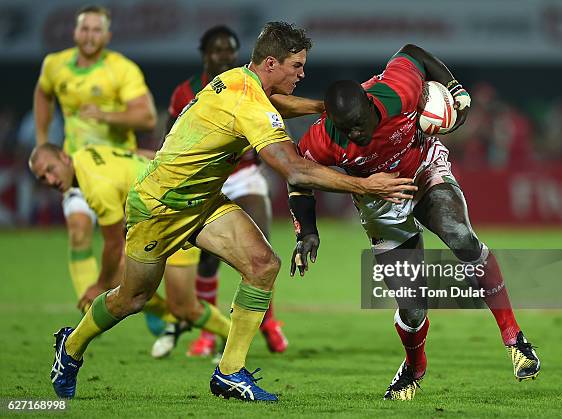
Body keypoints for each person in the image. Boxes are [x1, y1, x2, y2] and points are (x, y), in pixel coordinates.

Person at [48, 21, 415, 402]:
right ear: (271, 63)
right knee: (132, 298)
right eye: (297, 66)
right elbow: (294, 169)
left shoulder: (242, 80)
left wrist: (325, 107)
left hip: (202, 201)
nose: (303, 73)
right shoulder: (247, 100)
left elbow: (272, 102)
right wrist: (366, 185)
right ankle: (71, 346)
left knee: (263, 265)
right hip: (160, 205)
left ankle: (229, 373)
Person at [289, 44, 541, 401]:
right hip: (379, 200)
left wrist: (456, 91)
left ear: (368, 103)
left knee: (461, 237)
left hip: (422, 167)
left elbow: (412, 52)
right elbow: (298, 178)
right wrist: (307, 231)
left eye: (359, 123)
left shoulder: (395, 91)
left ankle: (515, 338)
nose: (355, 134)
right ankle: (414, 366)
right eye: (346, 128)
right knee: (412, 304)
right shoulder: (325, 137)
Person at [29, 144, 231, 359]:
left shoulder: (97, 187)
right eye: (42, 178)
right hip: (162, 209)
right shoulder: (86, 152)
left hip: (175, 212)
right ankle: (172, 321)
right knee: (126, 284)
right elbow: (131, 157)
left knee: (183, 307)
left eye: (51, 169)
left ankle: (230, 334)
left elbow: (114, 245)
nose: (50, 180)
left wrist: (99, 285)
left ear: (63, 157)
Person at [167, 26, 298, 356]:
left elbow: (279, 109)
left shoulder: (250, 85)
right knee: (209, 260)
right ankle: (208, 332)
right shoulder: (187, 92)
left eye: (230, 50)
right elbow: (172, 137)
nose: (225, 55)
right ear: (205, 54)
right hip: (209, 178)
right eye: (218, 50)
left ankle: (270, 320)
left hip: (243, 175)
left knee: (262, 250)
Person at [34, 5, 157, 312]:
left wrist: (105, 113)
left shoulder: (121, 69)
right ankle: (92, 309)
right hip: (74, 168)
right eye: (85, 29)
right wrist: (41, 141)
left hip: (117, 173)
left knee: (126, 252)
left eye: (96, 30)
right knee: (78, 231)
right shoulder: (55, 65)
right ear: (75, 32)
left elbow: (147, 117)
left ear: (108, 35)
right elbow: (43, 93)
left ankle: (155, 307)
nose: (90, 36)